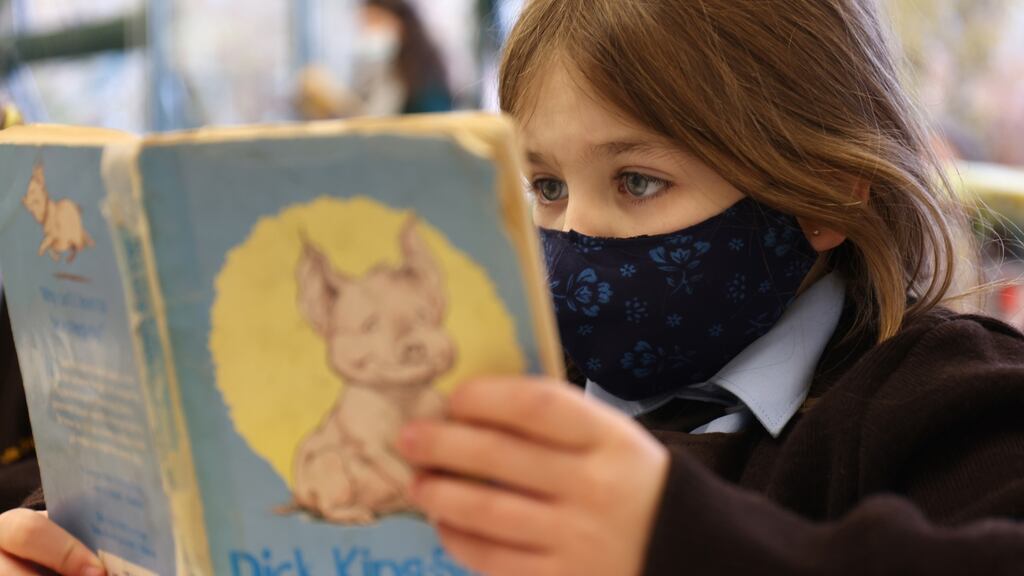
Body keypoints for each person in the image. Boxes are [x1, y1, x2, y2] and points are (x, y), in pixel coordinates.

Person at [4, 1, 1024, 574]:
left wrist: (667, 538)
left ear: (823, 195)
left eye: (637, 182)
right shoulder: (474, 369)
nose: (576, 231)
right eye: (540, 185)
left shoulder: (933, 400)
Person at [296, 0, 453, 119]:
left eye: (375, 21)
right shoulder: (375, 67)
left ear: (400, 23)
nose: (368, 30)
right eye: (364, 24)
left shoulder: (425, 72)